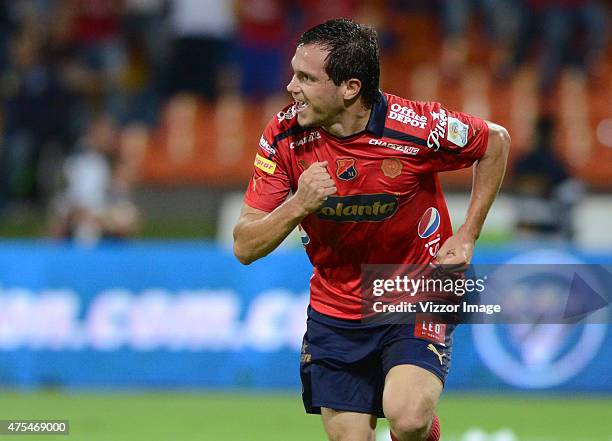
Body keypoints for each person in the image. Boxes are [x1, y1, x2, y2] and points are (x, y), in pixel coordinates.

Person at [233, 19, 510, 441]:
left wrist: (468, 233)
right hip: (337, 306)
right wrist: (299, 204)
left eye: (306, 78)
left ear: (349, 88)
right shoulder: (284, 136)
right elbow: (244, 245)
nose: (291, 87)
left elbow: (495, 142)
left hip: (419, 289)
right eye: (294, 73)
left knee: (408, 416)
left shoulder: (416, 126)